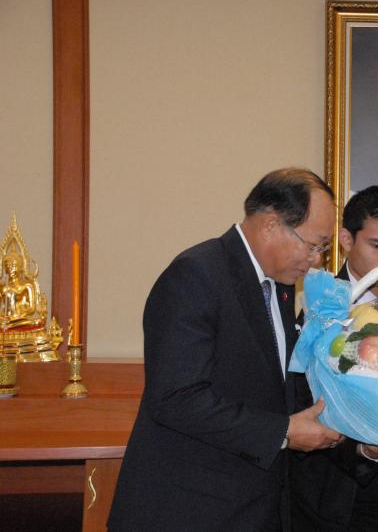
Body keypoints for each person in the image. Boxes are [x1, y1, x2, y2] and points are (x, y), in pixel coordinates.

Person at [108, 168, 343, 532]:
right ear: (271, 225)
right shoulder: (197, 275)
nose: (316, 259)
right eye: (313, 245)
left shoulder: (279, 286)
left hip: (252, 507)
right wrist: (282, 431)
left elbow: (275, 387)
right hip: (190, 509)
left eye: (322, 249)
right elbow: (175, 398)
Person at [291, 185, 378, 532]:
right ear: (346, 239)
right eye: (377, 246)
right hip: (327, 493)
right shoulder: (322, 306)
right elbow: (303, 402)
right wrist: (363, 450)